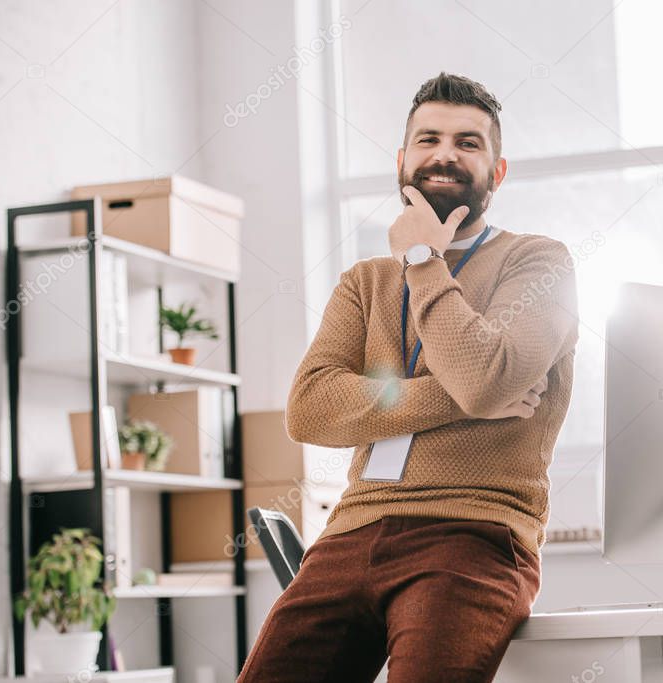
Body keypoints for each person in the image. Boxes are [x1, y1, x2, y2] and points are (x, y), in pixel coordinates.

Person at [238, 72, 579, 683]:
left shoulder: (540, 261)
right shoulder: (365, 282)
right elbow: (310, 409)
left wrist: (423, 259)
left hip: (473, 532)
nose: (444, 154)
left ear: (498, 173)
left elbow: (486, 376)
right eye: (428, 139)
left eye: (468, 143)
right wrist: (471, 395)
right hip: (349, 534)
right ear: (402, 161)